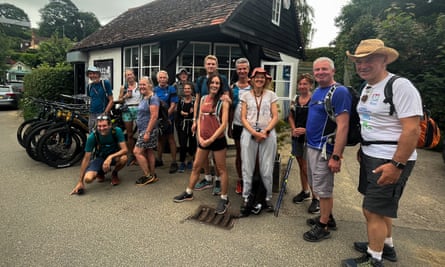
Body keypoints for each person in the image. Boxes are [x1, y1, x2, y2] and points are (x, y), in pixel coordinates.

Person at [341, 39, 422, 267]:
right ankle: (386, 246)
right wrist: (363, 148)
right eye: (359, 61)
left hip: (390, 158)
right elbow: (372, 123)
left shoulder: (399, 86)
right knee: (381, 207)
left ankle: (373, 259)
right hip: (371, 154)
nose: (362, 65)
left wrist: (397, 165)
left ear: (384, 59)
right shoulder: (368, 86)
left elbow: (412, 129)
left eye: (369, 60)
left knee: (372, 209)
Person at [303, 57, 351, 242]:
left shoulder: (339, 92)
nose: (320, 72)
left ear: (333, 71)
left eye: (324, 69)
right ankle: (327, 215)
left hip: (325, 148)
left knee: (323, 189)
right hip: (312, 146)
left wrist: (336, 156)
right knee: (315, 184)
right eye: (317, 70)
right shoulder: (317, 91)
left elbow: (343, 125)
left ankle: (323, 226)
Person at [173, 74, 231, 215]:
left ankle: (224, 198)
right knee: (196, 167)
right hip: (203, 139)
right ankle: (189, 192)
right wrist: (199, 136)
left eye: (217, 83)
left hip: (217, 140)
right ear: (209, 84)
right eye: (213, 83)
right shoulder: (204, 98)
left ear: (220, 86)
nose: (215, 85)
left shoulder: (223, 101)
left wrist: (210, 140)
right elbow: (199, 118)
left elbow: (224, 124)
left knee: (221, 169)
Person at [240, 67, 279, 212]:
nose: (260, 80)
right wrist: (253, 132)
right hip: (249, 133)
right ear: (252, 79)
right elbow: (243, 117)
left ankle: (266, 198)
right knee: (247, 167)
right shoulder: (245, 96)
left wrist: (265, 131)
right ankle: (246, 197)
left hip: (267, 133)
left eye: (262, 77)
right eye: (257, 77)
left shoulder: (271, 95)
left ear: (266, 80)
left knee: (267, 168)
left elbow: (275, 116)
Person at [192, 55, 230, 195]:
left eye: (213, 64)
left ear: (217, 65)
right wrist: (195, 120)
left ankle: (219, 180)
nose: (211, 66)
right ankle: (208, 178)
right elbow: (197, 101)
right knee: (203, 152)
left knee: (216, 153)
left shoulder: (222, 79)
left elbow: (227, 98)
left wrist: (228, 102)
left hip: (216, 121)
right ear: (205, 65)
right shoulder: (201, 80)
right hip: (202, 121)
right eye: (208, 64)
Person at [70, 115, 128, 195]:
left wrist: (110, 157)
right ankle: (100, 172)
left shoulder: (117, 131)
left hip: (114, 156)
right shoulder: (92, 136)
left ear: (110, 125)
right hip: (100, 158)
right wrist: (80, 181)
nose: (101, 128)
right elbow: (86, 158)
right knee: (88, 179)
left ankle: (114, 173)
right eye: (99, 126)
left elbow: (125, 149)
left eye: (104, 126)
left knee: (124, 158)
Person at [289, 73, 320, 213]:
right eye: (300, 84)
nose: (302, 86)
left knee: (309, 168)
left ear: (311, 85)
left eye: (305, 84)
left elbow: (319, 120)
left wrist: (307, 130)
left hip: (310, 138)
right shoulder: (295, 99)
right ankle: (304, 191)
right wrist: (293, 129)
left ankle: (316, 198)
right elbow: (290, 115)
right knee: (301, 165)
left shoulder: (314, 100)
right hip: (297, 137)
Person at [228, 57, 251, 195]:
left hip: (251, 126)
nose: (242, 71)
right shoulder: (232, 88)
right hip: (237, 125)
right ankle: (241, 179)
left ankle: (251, 179)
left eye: (244, 68)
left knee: (252, 154)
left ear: (248, 70)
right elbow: (230, 108)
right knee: (239, 153)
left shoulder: (254, 86)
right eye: (240, 69)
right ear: (236, 71)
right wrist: (229, 126)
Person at [134, 77, 161, 185]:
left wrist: (147, 132)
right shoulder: (145, 97)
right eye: (140, 85)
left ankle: (147, 175)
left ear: (150, 85)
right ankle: (152, 174)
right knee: (149, 151)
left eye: (144, 84)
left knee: (137, 152)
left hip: (147, 130)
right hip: (144, 129)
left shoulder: (153, 98)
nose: (141, 87)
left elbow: (154, 116)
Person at [153, 70, 179, 173]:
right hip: (158, 119)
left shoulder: (171, 89)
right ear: (158, 79)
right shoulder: (154, 90)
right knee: (160, 139)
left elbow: (173, 105)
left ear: (167, 79)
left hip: (169, 119)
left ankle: (174, 162)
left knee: (170, 139)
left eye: (164, 78)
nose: (163, 79)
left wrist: (165, 117)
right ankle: (159, 159)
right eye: (161, 78)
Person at [118, 69, 141, 166]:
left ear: (134, 75)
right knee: (130, 134)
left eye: (131, 74)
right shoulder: (123, 87)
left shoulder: (140, 85)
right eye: (127, 75)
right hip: (127, 110)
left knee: (141, 133)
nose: (129, 76)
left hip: (139, 109)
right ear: (125, 77)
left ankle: (140, 153)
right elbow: (119, 100)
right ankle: (131, 154)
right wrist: (125, 96)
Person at [175, 81, 197, 172]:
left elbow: (197, 113)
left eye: (189, 88)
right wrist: (181, 113)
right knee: (183, 144)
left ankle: (190, 161)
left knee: (192, 144)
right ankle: (182, 162)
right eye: (185, 89)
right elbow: (178, 112)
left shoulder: (195, 100)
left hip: (192, 124)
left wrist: (191, 114)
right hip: (183, 125)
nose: (187, 90)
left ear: (192, 90)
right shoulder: (181, 100)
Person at [86, 66, 114, 132]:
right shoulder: (89, 86)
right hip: (92, 114)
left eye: (94, 73)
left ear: (98, 74)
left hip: (102, 113)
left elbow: (111, 100)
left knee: (103, 133)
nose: (92, 75)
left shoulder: (105, 83)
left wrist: (105, 113)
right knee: (92, 133)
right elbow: (91, 100)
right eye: (90, 73)